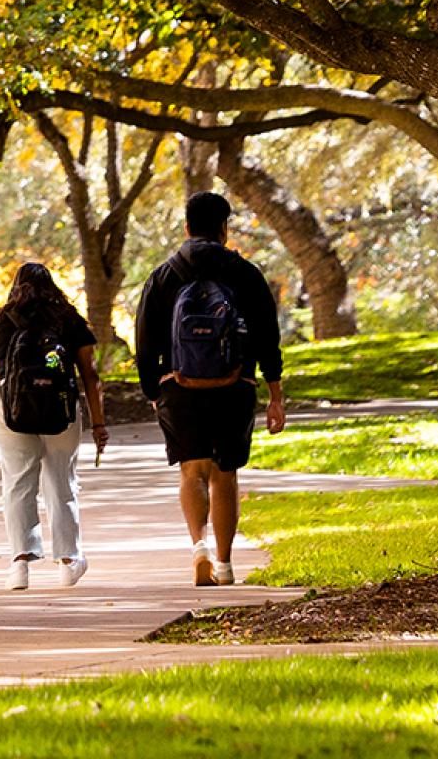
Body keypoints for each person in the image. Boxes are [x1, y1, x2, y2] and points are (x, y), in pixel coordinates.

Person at [133, 191, 287, 588]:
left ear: (187, 227)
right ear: (224, 228)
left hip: (178, 386)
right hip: (235, 384)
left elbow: (145, 337)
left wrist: (153, 388)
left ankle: (197, 544)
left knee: (192, 470)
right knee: (225, 473)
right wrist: (275, 393)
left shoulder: (164, 275)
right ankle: (225, 562)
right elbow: (268, 336)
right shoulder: (245, 274)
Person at [0, 263, 109, 590]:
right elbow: (90, 375)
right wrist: (99, 423)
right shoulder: (68, 319)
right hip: (61, 410)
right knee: (61, 481)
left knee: (18, 484)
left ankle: (19, 565)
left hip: (11, 409)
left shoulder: (0, 320)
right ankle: (69, 562)